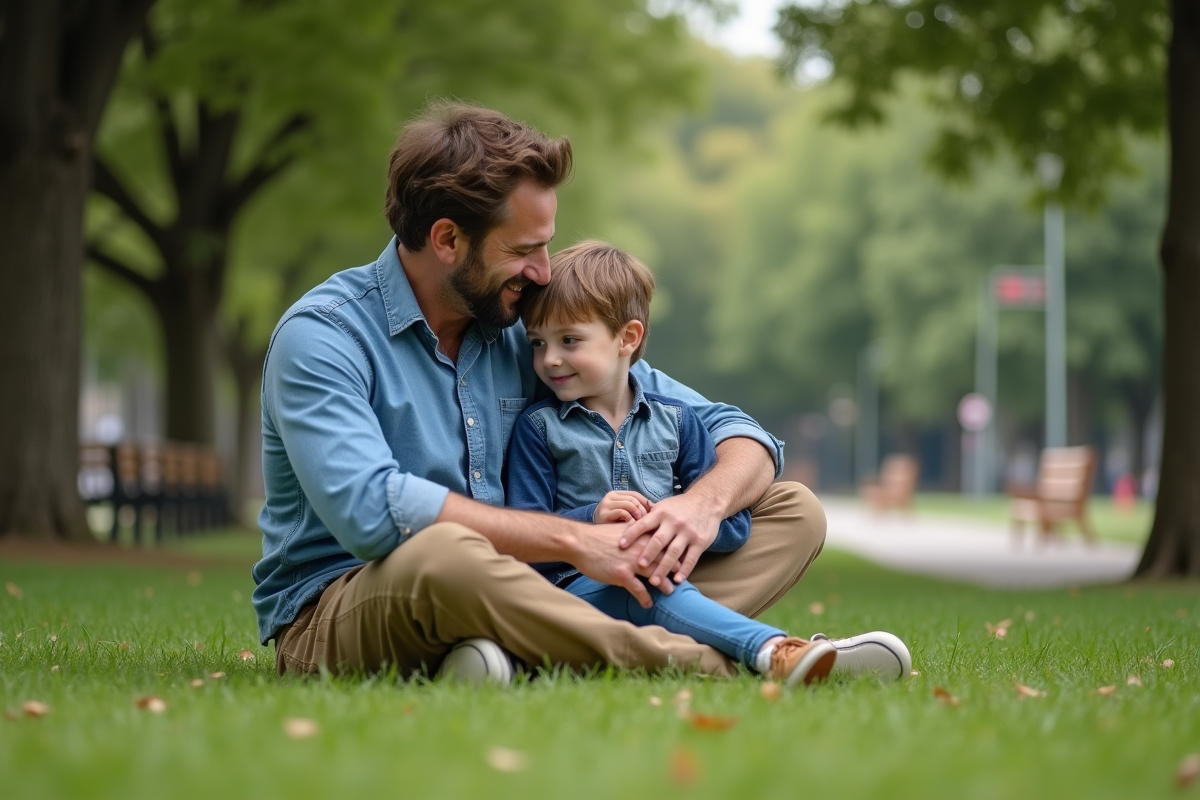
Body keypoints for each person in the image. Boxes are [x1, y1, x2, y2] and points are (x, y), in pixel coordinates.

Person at [251, 101, 895, 683]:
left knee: (790, 510)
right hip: (351, 602)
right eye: (524, 249)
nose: (543, 272)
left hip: (543, 590)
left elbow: (737, 432)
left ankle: (515, 655)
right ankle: (715, 659)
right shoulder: (324, 336)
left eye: (548, 246)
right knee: (444, 552)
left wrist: (698, 509)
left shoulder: (530, 331)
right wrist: (574, 540)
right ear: (447, 239)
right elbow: (372, 511)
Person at [505, 241, 910, 684]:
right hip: (573, 593)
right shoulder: (538, 428)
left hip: (667, 580)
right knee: (649, 584)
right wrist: (591, 520)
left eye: (569, 340)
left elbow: (732, 527)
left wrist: (678, 527)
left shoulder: (678, 421)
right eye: (537, 343)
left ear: (628, 338)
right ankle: (777, 651)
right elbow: (527, 535)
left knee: (659, 580)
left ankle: (600, 655)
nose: (550, 359)